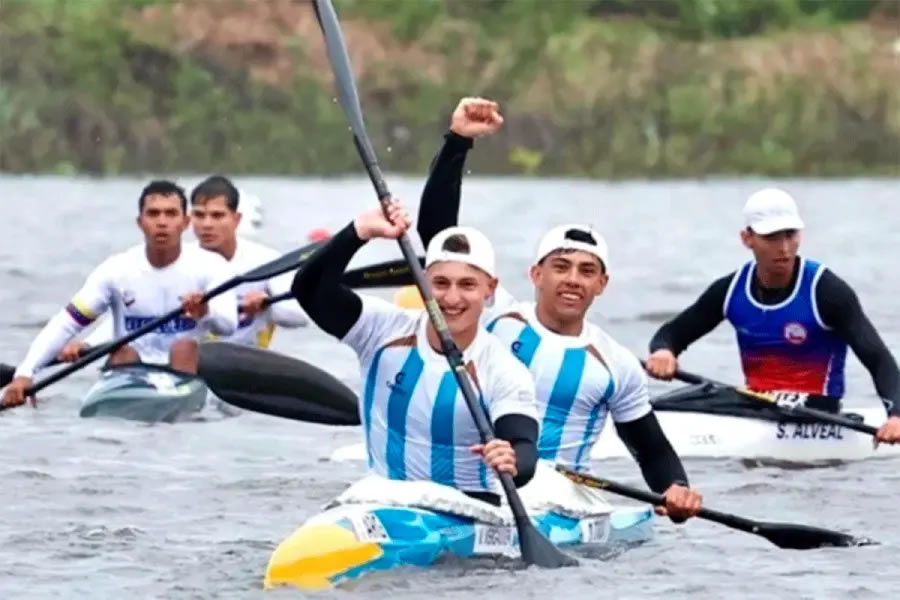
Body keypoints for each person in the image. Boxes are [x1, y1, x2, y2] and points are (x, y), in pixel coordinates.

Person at [415, 96, 703, 522]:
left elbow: (653, 451)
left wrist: (677, 491)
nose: (572, 279)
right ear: (535, 274)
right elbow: (437, 237)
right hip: (474, 486)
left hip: (561, 502)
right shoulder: (494, 317)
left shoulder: (615, 364)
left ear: (601, 285)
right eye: (561, 267)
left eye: (587, 271)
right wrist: (458, 142)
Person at [291, 197, 541, 506]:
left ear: (489, 289)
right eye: (440, 283)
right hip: (385, 504)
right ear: (421, 281)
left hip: (468, 510)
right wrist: (357, 233)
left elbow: (524, 445)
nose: (451, 298)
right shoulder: (382, 331)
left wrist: (512, 460)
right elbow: (309, 290)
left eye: (467, 285)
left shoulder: (503, 369)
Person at [645, 187, 900, 445]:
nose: (785, 248)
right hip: (757, 402)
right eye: (772, 237)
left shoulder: (826, 291)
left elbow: (878, 359)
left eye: (790, 235)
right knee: (665, 403)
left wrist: (896, 416)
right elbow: (672, 333)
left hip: (813, 409)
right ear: (747, 239)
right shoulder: (731, 290)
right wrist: (664, 351)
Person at [1, 180, 237, 408]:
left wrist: (204, 312)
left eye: (170, 214)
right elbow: (66, 324)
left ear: (185, 222)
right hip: (128, 369)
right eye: (153, 214)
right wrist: (24, 373)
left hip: (184, 369)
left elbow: (228, 326)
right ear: (140, 222)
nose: (162, 222)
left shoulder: (211, 267)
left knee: (184, 346)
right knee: (123, 350)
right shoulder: (116, 270)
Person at [188, 175, 308, 348]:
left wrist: (268, 303)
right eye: (199, 215)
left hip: (249, 361)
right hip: (194, 361)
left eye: (217, 216)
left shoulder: (267, 261)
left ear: (236, 220)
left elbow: (300, 317)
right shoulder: (181, 261)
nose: (207, 224)